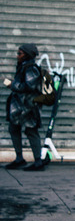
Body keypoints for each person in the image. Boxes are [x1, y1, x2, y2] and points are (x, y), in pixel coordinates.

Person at [5, 43, 44, 171]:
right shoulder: (23, 66)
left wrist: (12, 85)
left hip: (28, 107)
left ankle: (38, 161)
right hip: (19, 106)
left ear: (27, 55)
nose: (17, 56)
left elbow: (30, 86)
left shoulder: (31, 68)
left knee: (31, 131)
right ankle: (19, 158)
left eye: (20, 53)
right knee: (13, 128)